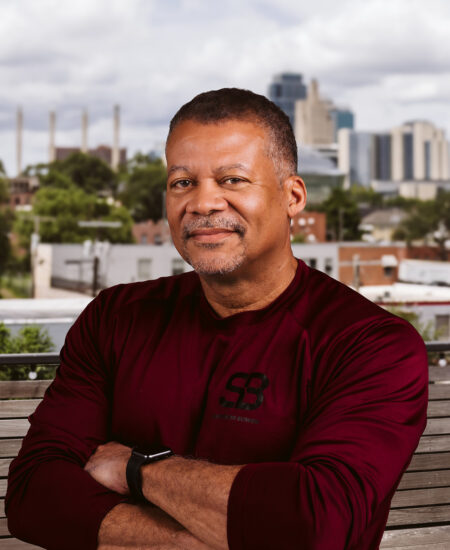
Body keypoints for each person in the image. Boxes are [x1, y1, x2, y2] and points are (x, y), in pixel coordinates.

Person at [6, 88, 428, 550]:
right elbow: (33, 495)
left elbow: (314, 526)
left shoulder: (370, 344)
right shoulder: (115, 317)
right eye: (182, 182)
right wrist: (191, 541)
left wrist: (137, 469)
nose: (203, 203)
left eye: (232, 180)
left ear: (293, 196)